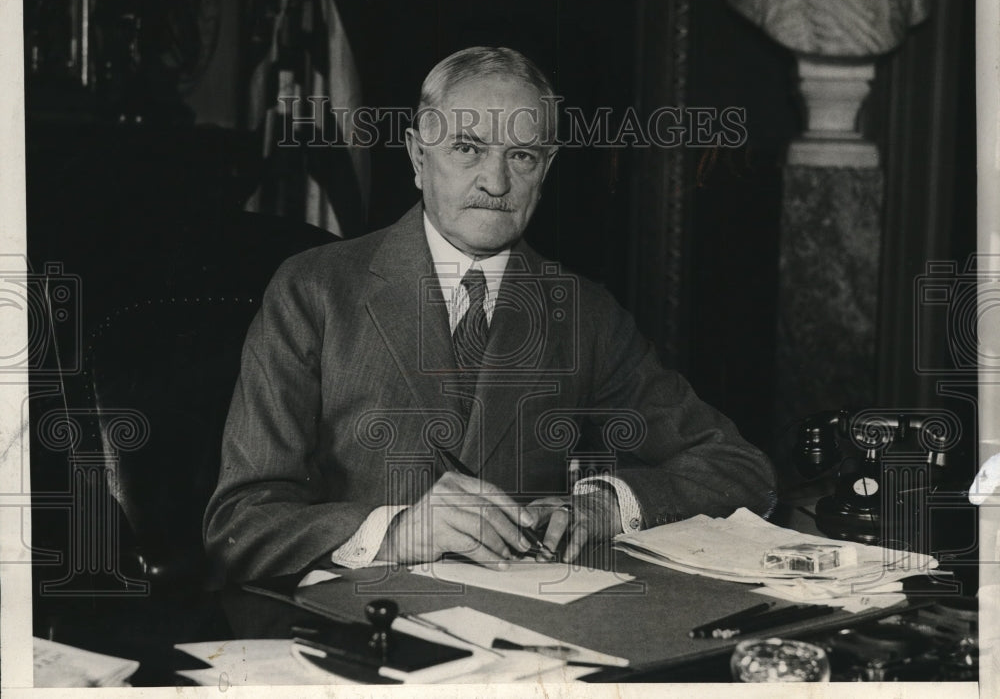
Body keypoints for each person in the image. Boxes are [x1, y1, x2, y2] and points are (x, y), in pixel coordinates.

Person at [203, 46, 776, 584]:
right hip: (360, 632)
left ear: (545, 170)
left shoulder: (582, 312)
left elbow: (737, 466)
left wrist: (607, 504)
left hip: (528, 638)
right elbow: (239, 525)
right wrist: (397, 531)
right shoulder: (314, 289)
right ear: (417, 156)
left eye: (521, 156)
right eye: (467, 148)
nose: (496, 183)